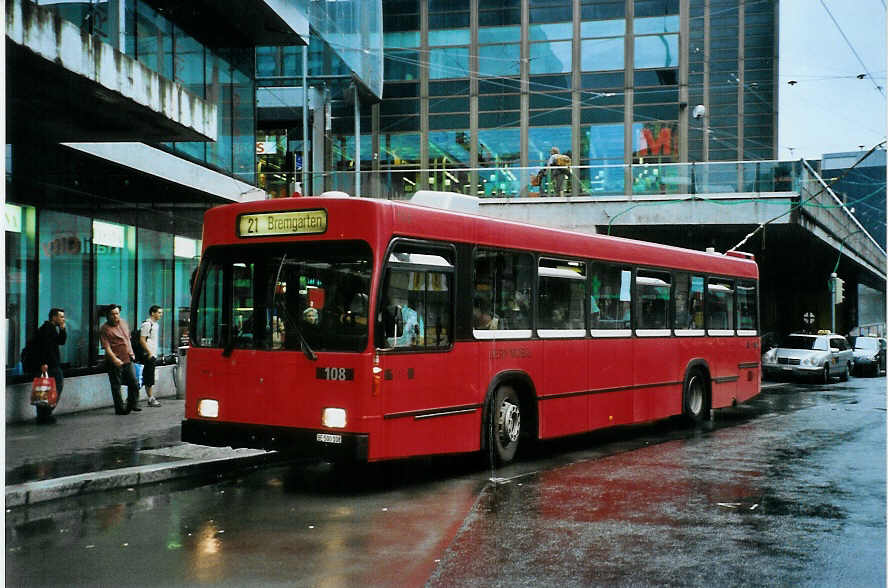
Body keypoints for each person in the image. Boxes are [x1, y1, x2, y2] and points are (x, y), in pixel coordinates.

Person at [99, 304, 141, 415]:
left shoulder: (123, 323)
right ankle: (119, 408)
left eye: (117, 313)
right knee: (116, 385)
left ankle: (131, 404)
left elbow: (128, 340)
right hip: (115, 360)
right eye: (112, 314)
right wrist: (114, 359)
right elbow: (107, 348)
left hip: (128, 358)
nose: (115, 316)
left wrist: (132, 353)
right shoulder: (104, 329)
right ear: (107, 316)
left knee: (134, 383)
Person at [33, 308, 67, 424]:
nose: (63, 319)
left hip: (50, 364)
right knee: (55, 388)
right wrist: (43, 363)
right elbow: (43, 348)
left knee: (44, 389)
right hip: (50, 365)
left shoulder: (51, 328)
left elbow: (61, 341)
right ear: (54, 317)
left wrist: (62, 329)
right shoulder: (47, 329)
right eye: (61, 317)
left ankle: (43, 415)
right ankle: (46, 414)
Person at [137, 305, 163, 407]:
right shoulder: (147, 324)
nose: (161, 315)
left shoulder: (156, 325)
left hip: (153, 354)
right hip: (148, 355)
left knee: (149, 377)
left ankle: (136, 397)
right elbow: (142, 340)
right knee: (147, 377)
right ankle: (150, 398)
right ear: (153, 313)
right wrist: (149, 352)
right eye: (159, 312)